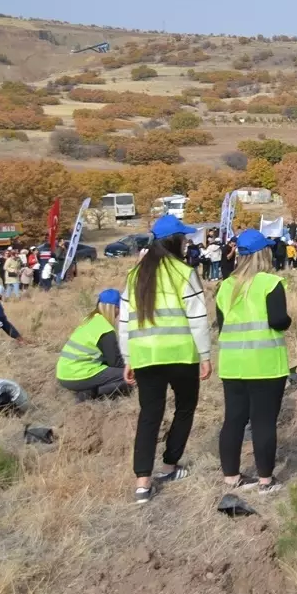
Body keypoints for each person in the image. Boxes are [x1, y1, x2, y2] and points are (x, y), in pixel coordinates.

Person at [119, 215, 212, 504]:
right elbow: (197, 319)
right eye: (183, 239)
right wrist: (205, 355)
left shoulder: (136, 275)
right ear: (175, 241)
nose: (186, 243)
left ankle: (143, 483)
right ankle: (170, 466)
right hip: (181, 354)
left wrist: (128, 358)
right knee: (185, 408)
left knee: (149, 415)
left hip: (146, 356)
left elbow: (124, 322)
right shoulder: (184, 272)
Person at [216, 230, 291, 494]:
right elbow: (278, 321)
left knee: (233, 420)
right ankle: (265, 481)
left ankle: (231, 477)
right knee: (263, 422)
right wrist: (288, 322)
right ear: (264, 253)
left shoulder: (226, 286)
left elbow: (221, 325)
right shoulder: (271, 283)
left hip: (232, 364)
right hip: (266, 363)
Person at [56, 288, 130, 401]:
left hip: (64, 373)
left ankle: (87, 389)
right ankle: (92, 394)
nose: (119, 313)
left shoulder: (90, 320)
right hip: (79, 374)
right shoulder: (105, 329)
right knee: (131, 376)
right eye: (119, 309)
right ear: (113, 308)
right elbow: (116, 363)